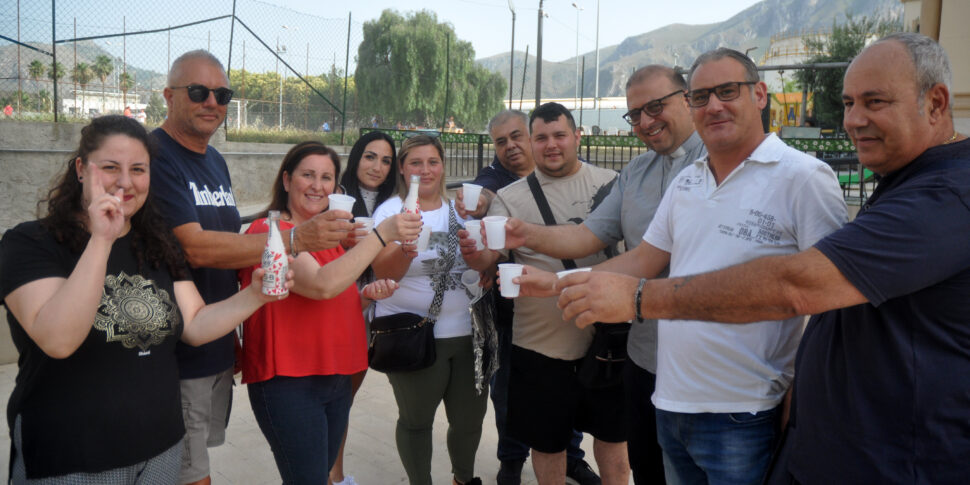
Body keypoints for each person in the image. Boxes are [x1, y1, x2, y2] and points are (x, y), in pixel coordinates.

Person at [550, 32, 968, 484]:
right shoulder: (907, 183)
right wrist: (560, 283)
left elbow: (800, 286)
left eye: (875, 101)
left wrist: (639, 299)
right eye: (848, 103)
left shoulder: (943, 194)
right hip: (692, 405)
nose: (854, 119)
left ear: (936, 103)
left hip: (865, 447)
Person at [520, 49, 848, 485]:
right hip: (669, 399)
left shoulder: (804, 177)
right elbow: (643, 259)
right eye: (701, 96)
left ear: (760, 95)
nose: (713, 105)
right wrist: (557, 281)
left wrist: (804, 393)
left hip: (743, 410)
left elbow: (832, 300)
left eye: (727, 91)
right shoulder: (689, 179)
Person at [0, 115, 290, 483]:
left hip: (160, 450)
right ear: (80, 169)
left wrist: (256, 295)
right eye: (110, 167)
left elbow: (196, 324)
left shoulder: (156, 244)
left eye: (138, 169)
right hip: (72, 456)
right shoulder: (29, 243)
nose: (125, 181)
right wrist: (101, 240)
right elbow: (58, 340)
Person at [150, 50, 353, 485]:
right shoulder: (157, 155)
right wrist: (295, 239)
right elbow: (195, 249)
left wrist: (234, 338)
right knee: (191, 474)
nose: (212, 103)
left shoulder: (213, 160)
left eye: (222, 94)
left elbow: (229, 256)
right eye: (199, 92)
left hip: (215, 343)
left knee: (198, 460)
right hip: (177, 349)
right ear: (168, 96)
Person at [500, 66, 704, 484]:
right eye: (636, 114)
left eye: (656, 106)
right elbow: (591, 235)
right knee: (649, 465)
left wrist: (556, 282)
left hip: (710, 363)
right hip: (645, 353)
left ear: (686, 99)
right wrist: (525, 234)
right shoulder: (637, 173)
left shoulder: (718, 160)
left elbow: (645, 258)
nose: (646, 121)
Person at [462, 103, 627, 485]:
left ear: (577, 136)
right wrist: (474, 255)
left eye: (559, 135)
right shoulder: (509, 198)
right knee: (547, 445)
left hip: (608, 339)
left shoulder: (614, 183)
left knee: (614, 443)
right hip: (540, 346)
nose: (551, 145)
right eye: (542, 138)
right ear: (533, 143)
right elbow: (490, 259)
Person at [239, 141, 421, 485]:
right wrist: (383, 234)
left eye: (326, 178)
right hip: (290, 379)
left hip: (336, 376)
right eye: (308, 175)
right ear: (287, 180)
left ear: (336, 188)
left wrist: (365, 297)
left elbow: (333, 297)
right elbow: (321, 284)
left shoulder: (332, 240)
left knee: (318, 475)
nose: (317, 185)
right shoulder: (271, 232)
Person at [371, 135, 487, 485]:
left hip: (467, 333)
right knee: (417, 420)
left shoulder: (460, 212)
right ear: (404, 170)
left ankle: (463, 479)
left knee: (469, 421)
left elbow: (481, 262)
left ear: (442, 165)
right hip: (414, 334)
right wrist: (407, 246)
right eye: (415, 163)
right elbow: (382, 271)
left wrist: (488, 269)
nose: (425, 170)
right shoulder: (390, 212)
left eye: (432, 162)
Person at [330, 130, 398, 485]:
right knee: (335, 396)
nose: (377, 166)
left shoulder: (395, 204)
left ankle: (332, 472)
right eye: (370, 156)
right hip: (340, 305)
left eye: (386, 160)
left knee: (346, 396)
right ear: (356, 157)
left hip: (373, 310)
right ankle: (334, 475)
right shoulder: (337, 198)